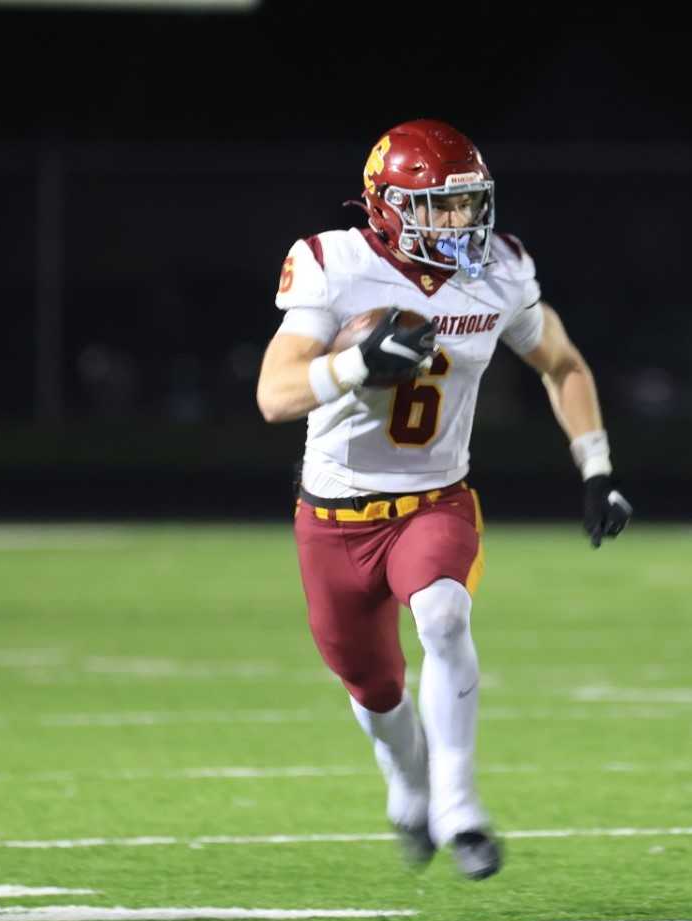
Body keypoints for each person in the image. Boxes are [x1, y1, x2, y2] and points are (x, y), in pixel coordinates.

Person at [255, 119, 632, 880]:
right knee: (374, 687)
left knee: (445, 613)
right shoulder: (335, 265)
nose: (463, 223)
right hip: (333, 515)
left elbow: (562, 364)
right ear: (388, 206)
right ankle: (409, 786)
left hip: (434, 499)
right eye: (442, 206)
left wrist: (596, 466)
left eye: (470, 204)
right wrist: (355, 365)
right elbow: (274, 394)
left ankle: (459, 805)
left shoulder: (500, 271)